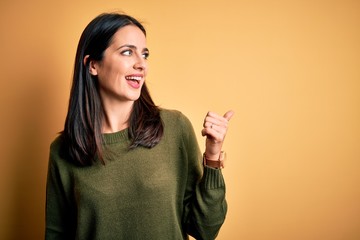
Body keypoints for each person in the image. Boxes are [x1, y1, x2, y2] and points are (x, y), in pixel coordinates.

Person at [45, 12, 234, 240]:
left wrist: (213, 157)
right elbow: (56, 234)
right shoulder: (63, 150)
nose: (141, 64)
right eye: (127, 52)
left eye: (144, 55)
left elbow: (205, 229)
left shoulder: (175, 128)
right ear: (93, 64)